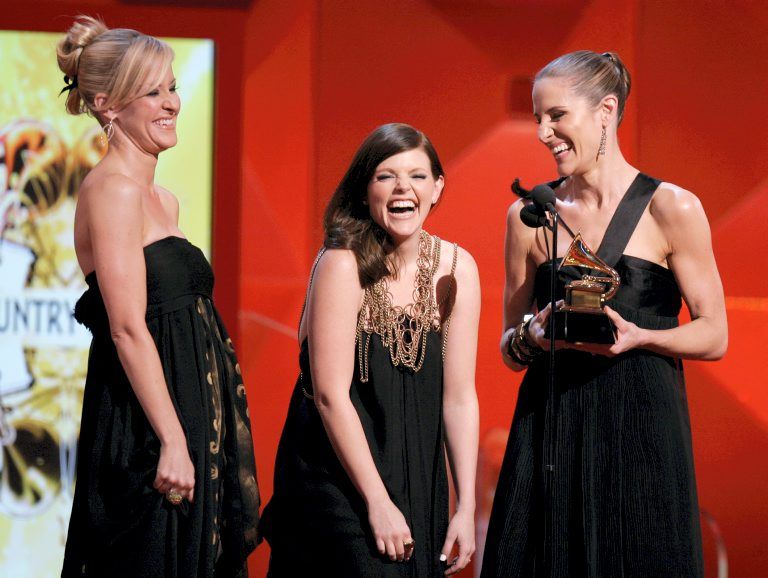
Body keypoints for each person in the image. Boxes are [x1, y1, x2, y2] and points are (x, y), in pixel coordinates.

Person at [481, 51, 727, 577]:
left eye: (557, 116)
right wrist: (534, 332)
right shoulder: (529, 217)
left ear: (606, 111)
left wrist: (641, 336)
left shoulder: (672, 208)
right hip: (552, 431)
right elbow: (508, 347)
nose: (543, 133)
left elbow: (714, 334)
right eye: (538, 119)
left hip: (641, 430)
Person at [57, 16, 260, 577]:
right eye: (153, 92)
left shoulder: (162, 200)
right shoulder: (112, 191)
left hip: (191, 418)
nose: (172, 102)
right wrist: (172, 440)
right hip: (148, 430)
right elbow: (127, 327)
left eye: (171, 87)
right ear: (107, 106)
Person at [260, 123, 480, 576]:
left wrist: (465, 506)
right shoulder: (342, 264)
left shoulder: (458, 268)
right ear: (365, 191)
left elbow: (459, 398)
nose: (403, 188)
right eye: (386, 176)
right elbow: (329, 396)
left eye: (417, 176)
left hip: (418, 477)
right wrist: (377, 501)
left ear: (437, 188)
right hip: (340, 480)